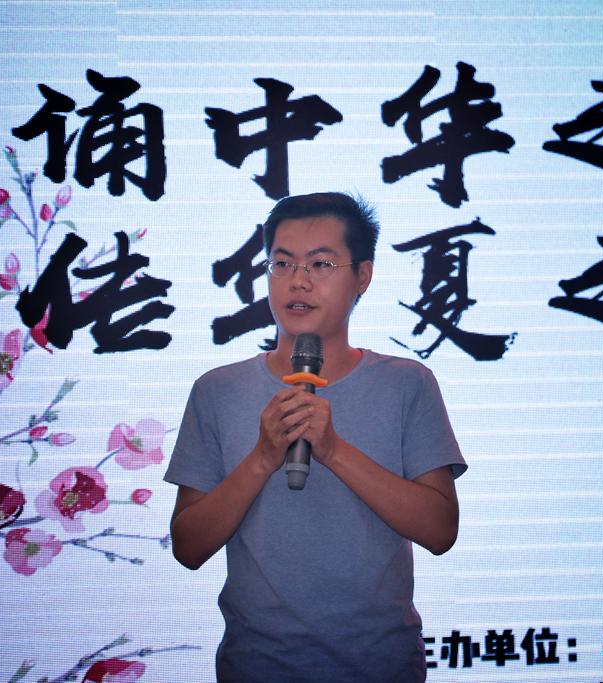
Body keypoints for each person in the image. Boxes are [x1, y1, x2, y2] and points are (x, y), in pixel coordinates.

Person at [164, 192, 466, 682]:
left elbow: (440, 531)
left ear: (362, 275)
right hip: (258, 667)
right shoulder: (217, 390)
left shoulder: (407, 383)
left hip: (381, 667)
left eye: (321, 264)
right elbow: (188, 547)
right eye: (281, 264)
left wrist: (333, 451)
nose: (298, 281)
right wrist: (262, 458)